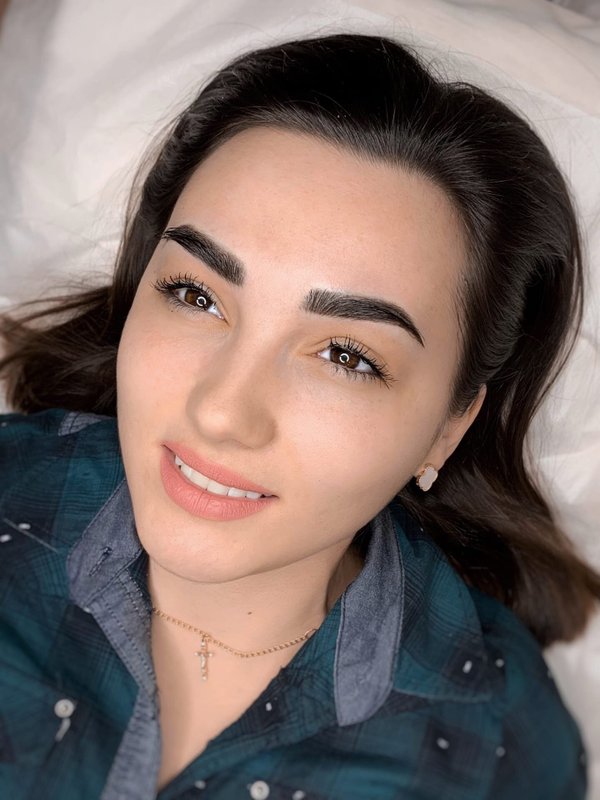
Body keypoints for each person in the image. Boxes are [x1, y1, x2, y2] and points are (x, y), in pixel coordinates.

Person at [0, 31, 598, 800]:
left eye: (346, 355)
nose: (222, 411)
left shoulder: (498, 749)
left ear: (448, 427)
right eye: (196, 295)